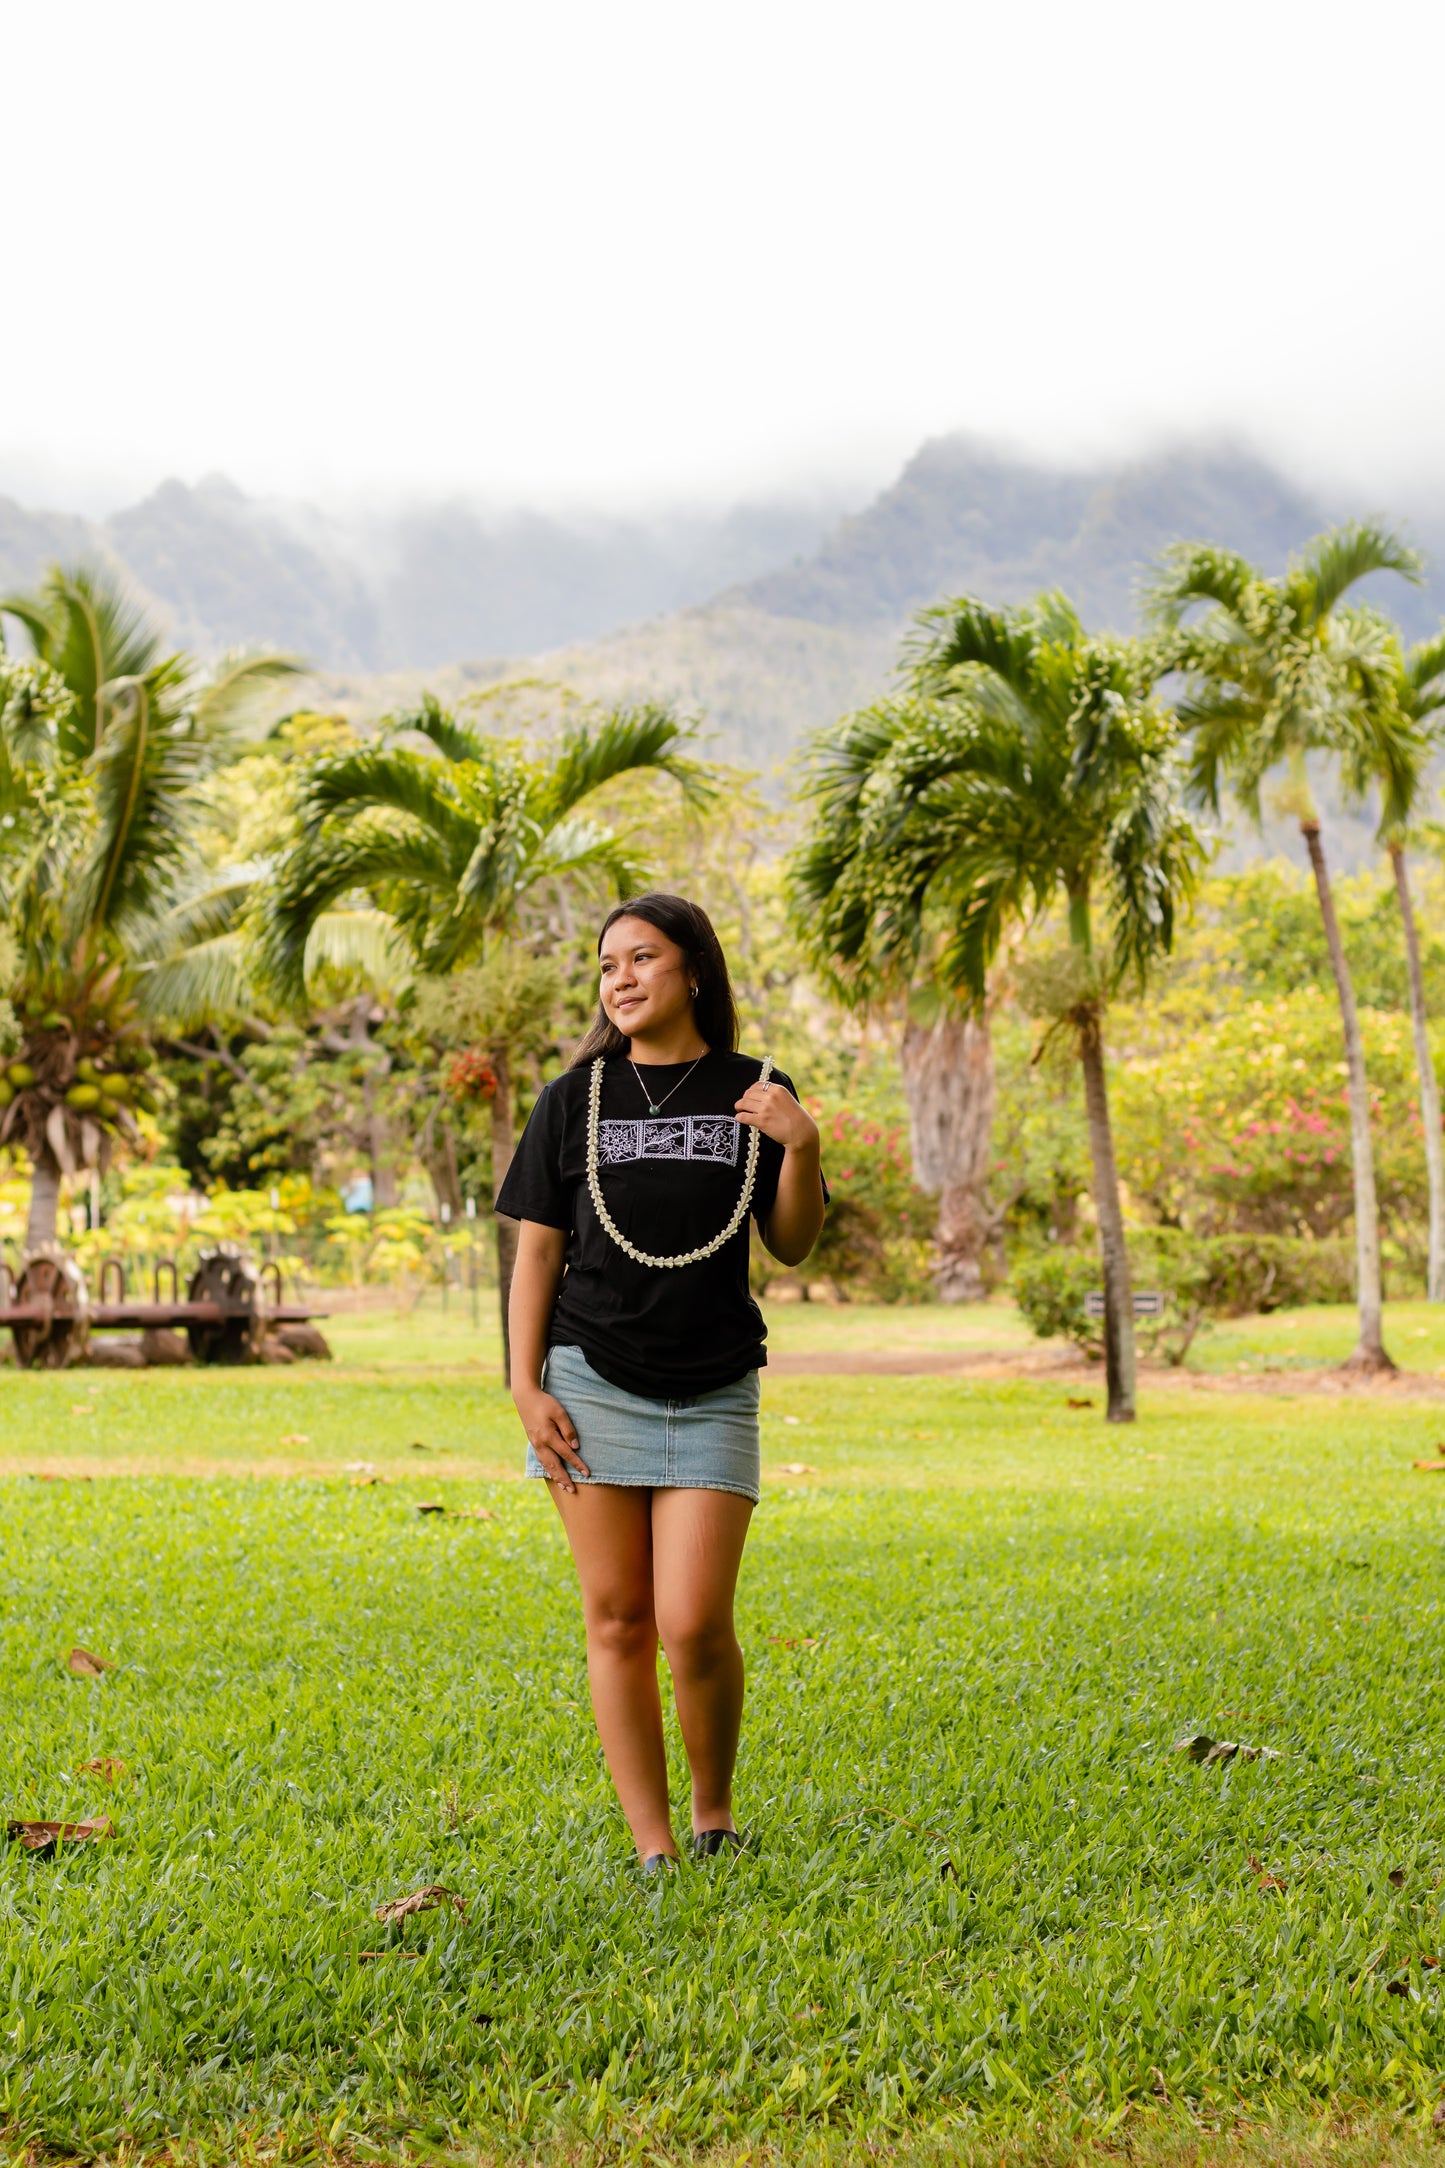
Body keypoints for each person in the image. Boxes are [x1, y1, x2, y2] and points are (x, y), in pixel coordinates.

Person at [496, 892, 826, 1870]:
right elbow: (535, 1254)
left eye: (642, 958)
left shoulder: (757, 1089)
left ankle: (713, 1810)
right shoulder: (572, 1098)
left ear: (693, 971)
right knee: (618, 1616)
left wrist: (800, 1142)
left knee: (692, 1619)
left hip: (714, 1378)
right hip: (588, 1379)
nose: (622, 979)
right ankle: (652, 1843)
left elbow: (793, 1241)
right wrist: (523, 1384)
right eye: (607, 965)